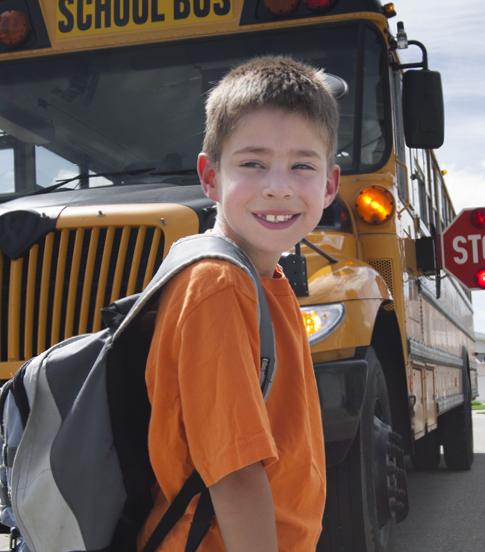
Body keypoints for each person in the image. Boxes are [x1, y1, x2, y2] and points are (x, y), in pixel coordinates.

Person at [138, 56, 341, 552]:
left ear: (330, 185)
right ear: (210, 177)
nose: (278, 185)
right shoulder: (219, 285)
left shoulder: (266, 281)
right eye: (252, 163)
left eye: (302, 165)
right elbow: (235, 472)